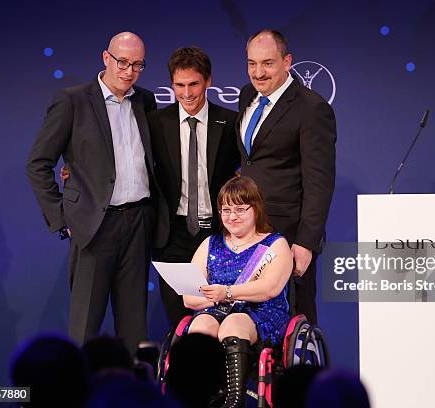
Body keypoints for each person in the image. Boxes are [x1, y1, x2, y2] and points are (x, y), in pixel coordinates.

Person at [26, 32, 169, 354]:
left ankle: (134, 395)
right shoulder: (73, 100)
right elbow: (38, 163)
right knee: (84, 328)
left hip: (138, 223)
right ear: (106, 58)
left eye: (137, 65)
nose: (128, 71)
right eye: (122, 62)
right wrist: (63, 217)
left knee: (135, 330)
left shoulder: (145, 100)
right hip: (94, 227)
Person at [237, 29, 336, 324]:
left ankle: (303, 372)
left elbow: (319, 183)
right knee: (250, 318)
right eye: (252, 63)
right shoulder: (246, 95)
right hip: (247, 232)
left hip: (288, 235)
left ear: (287, 61)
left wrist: (306, 243)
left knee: (295, 320)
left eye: (267, 63)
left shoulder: (312, 108)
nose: (258, 72)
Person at [148, 47, 239, 328]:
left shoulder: (230, 122)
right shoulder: (155, 123)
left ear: (208, 81)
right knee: (180, 321)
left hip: (218, 234)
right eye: (179, 85)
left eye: (193, 84)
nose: (186, 93)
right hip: (173, 236)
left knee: (219, 318)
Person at [182, 176, 293, 408]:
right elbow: (189, 297)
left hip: (260, 312)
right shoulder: (210, 244)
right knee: (200, 326)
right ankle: (201, 398)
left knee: (233, 324)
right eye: (226, 210)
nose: (232, 217)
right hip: (216, 310)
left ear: (256, 209)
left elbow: (270, 288)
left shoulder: (274, 244)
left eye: (240, 209)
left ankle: (234, 401)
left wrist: (228, 292)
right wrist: (216, 297)